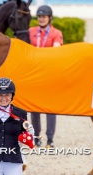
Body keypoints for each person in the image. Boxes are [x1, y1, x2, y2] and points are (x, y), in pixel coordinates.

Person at [29, 5, 63, 148]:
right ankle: (36, 137)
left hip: (49, 74)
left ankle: (50, 139)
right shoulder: (30, 32)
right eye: (39, 17)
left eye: (44, 16)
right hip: (34, 75)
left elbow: (55, 54)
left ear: (50, 18)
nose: (41, 19)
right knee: (34, 108)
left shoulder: (56, 33)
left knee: (50, 108)